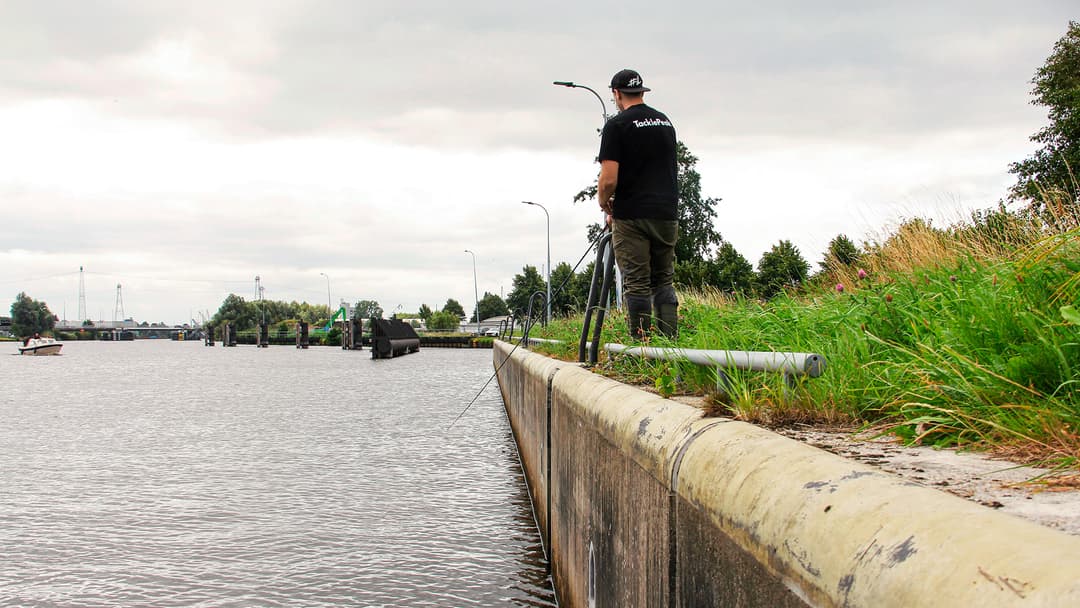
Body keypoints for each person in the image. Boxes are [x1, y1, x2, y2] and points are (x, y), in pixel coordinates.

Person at [596, 68, 680, 339]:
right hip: (666, 213)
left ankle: (642, 348)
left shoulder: (617, 126)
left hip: (632, 215)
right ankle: (670, 345)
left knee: (637, 282)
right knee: (663, 280)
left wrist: (604, 203)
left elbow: (609, 179)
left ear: (616, 94)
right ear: (641, 91)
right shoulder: (665, 122)